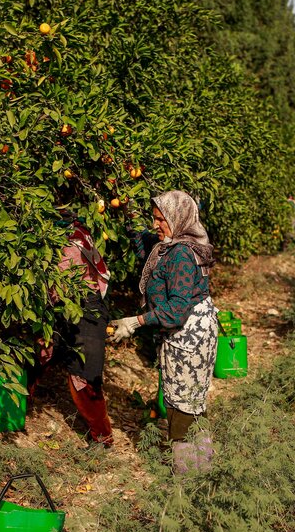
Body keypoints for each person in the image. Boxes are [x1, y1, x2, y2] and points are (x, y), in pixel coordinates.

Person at [109, 190, 218, 447]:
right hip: (183, 333)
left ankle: (189, 471)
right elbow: (141, 238)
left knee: (184, 407)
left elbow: (177, 308)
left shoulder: (180, 254)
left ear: (178, 219)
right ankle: (196, 465)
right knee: (181, 400)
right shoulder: (167, 246)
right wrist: (126, 207)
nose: (155, 224)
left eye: (161, 219)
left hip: (189, 336)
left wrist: (136, 322)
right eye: (154, 218)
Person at [29, 217, 114, 447]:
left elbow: (59, 284)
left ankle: (102, 438)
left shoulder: (71, 240)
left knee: (84, 374)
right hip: (59, 304)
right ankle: (14, 411)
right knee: (39, 354)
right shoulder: (54, 237)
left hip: (85, 306)